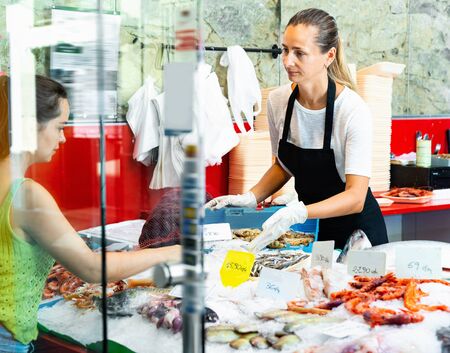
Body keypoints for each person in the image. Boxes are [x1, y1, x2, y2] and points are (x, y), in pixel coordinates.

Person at [0, 75, 180, 352]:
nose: (62, 138)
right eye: (59, 127)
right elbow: (92, 269)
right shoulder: (26, 194)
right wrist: (173, 252)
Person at [206, 8, 388, 250]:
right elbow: (283, 165)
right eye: (285, 50)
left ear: (329, 56)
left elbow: (355, 198)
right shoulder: (278, 101)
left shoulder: (352, 110)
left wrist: (298, 212)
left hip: (359, 235)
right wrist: (250, 197)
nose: (287, 61)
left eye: (299, 53)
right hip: (313, 229)